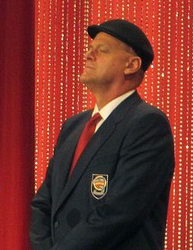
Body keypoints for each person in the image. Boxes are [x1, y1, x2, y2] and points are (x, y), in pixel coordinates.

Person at [30, 19, 175, 249]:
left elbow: (119, 214)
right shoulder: (73, 126)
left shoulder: (147, 124)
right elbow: (43, 203)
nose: (88, 55)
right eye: (89, 49)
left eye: (102, 50)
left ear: (132, 65)